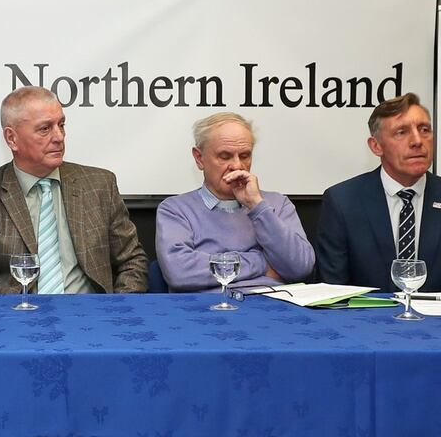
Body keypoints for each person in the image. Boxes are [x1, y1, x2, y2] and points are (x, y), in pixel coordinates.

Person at [0, 86, 147, 295]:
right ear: (12, 138)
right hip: (17, 318)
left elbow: (132, 262)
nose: (59, 137)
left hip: (91, 318)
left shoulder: (99, 185)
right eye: (44, 129)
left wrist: (114, 313)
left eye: (61, 125)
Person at [155, 113, 314, 292]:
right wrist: (261, 262)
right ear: (199, 158)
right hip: (205, 312)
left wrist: (257, 206)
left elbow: (301, 266)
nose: (237, 165)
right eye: (225, 156)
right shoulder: (176, 210)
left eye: (245, 155)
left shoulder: (277, 204)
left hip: (273, 308)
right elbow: (180, 272)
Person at [317, 93, 441, 292]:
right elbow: (332, 291)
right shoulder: (343, 201)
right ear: (376, 146)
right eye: (401, 132)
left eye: (424, 130)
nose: (417, 141)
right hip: (365, 321)